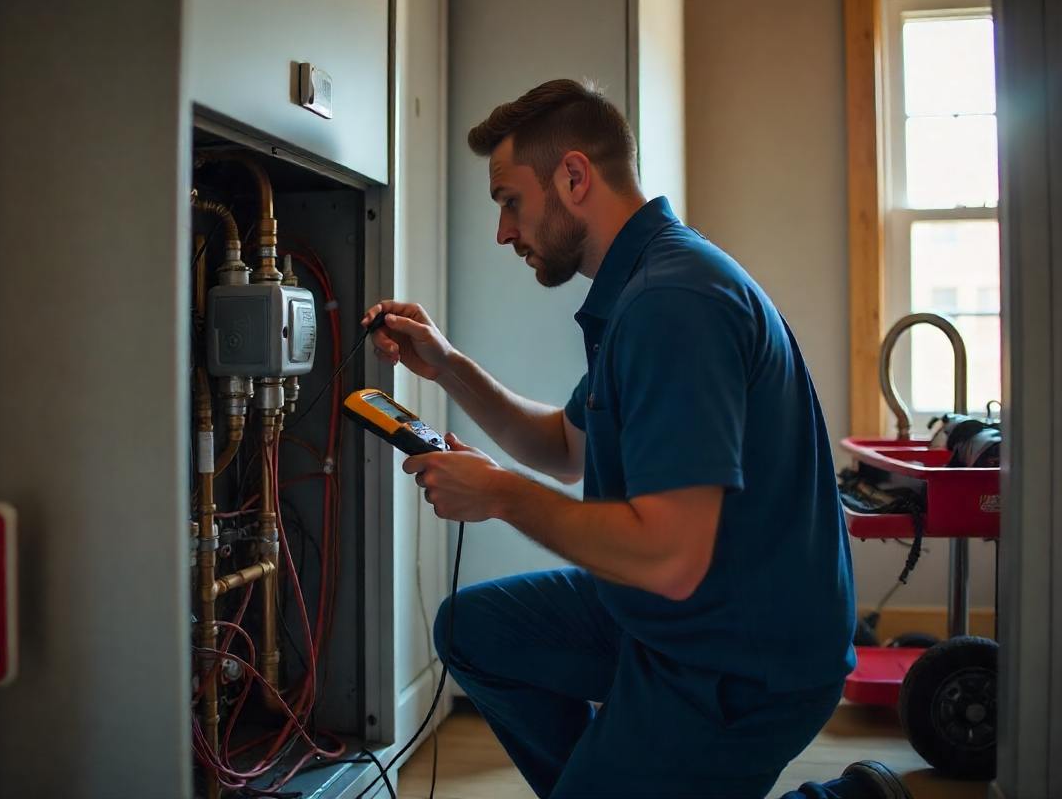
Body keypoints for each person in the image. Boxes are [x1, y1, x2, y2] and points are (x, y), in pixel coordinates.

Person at [362, 79, 912, 799]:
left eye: (509, 201)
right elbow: (564, 449)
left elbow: (670, 557)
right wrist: (447, 367)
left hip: (743, 657)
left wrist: (500, 496)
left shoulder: (671, 304)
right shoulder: (641, 287)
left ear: (573, 176)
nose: (503, 231)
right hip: (676, 617)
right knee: (474, 630)